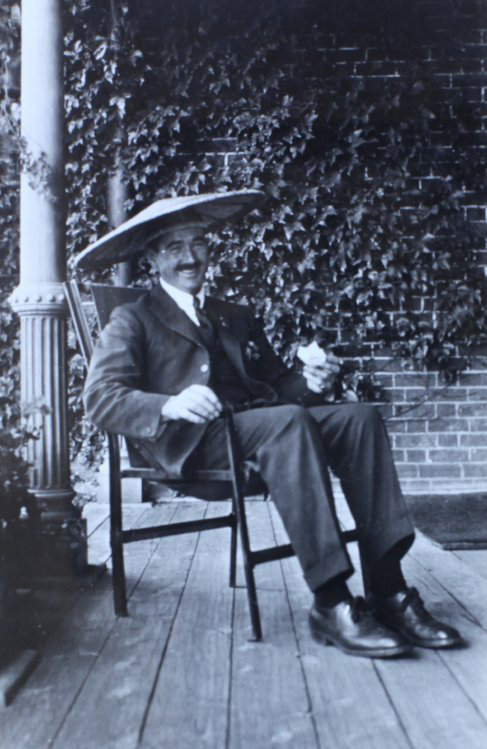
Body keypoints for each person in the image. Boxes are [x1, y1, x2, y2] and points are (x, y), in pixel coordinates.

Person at [79, 190, 463, 658]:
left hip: (263, 431)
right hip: (193, 444)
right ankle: (331, 601)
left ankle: (388, 589)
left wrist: (312, 382)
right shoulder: (132, 319)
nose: (190, 256)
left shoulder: (233, 316)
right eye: (175, 247)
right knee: (286, 424)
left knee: (359, 418)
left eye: (198, 243)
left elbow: (281, 390)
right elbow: (100, 398)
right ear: (153, 258)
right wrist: (169, 405)